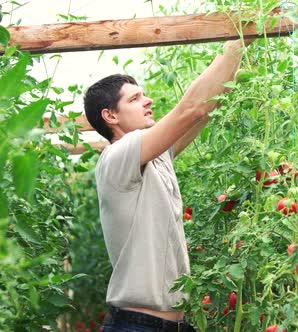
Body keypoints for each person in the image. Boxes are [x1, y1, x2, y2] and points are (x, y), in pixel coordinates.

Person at [83, 39, 251, 332]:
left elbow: (207, 109)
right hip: (138, 325)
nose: (147, 101)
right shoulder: (117, 156)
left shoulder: (156, 156)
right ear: (110, 116)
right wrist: (238, 40)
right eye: (134, 99)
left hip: (171, 324)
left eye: (144, 95)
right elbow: (191, 110)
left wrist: (243, 57)